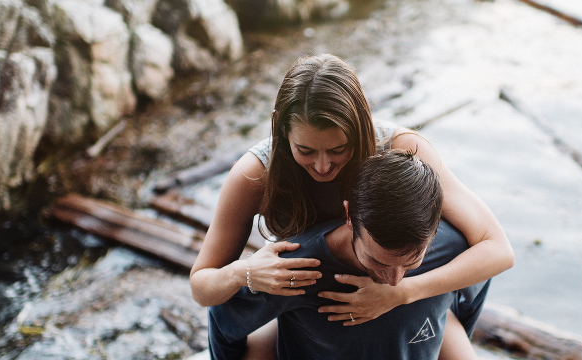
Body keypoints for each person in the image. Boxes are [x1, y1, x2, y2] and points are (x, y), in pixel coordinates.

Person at [190, 54, 514, 359]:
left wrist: (402, 294)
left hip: (405, 294)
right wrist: (243, 272)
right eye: (304, 150)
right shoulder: (253, 176)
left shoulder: (403, 151)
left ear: (361, 126)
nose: (322, 166)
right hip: (309, 303)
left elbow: (497, 249)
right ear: (280, 127)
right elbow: (203, 288)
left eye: (338, 149)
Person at [208, 150, 490, 360]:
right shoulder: (296, 266)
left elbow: (476, 287)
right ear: (349, 219)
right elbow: (223, 318)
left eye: (411, 262)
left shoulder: (455, 248)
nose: (394, 280)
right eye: (377, 261)